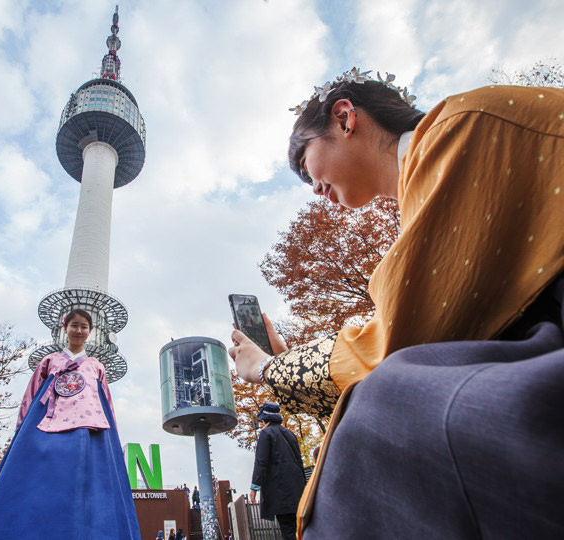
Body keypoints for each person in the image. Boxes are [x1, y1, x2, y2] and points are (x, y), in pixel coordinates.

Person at [229, 68, 564, 538]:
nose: (315, 190)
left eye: (308, 167)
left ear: (345, 118)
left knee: (374, 417)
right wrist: (288, 362)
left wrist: (268, 368)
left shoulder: (460, 129)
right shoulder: (434, 173)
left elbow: (393, 345)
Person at [0, 309, 140, 539]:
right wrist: (22, 430)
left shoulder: (96, 365)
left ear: (90, 331)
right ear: (65, 328)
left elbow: (106, 401)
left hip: (89, 427)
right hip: (47, 425)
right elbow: (32, 394)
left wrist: (113, 436)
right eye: (74, 325)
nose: (79, 330)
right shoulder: (50, 361)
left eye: (84, 327)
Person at [249, 402, 306, 540]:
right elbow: (300, 462)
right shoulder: (290, 434)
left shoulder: (265, 434)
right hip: (298, 491)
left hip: (280, 492)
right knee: (300, 530)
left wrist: (254, 487)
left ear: (264, 419)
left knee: (288, 531)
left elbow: (261, 462)